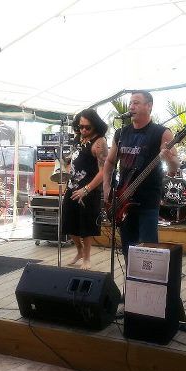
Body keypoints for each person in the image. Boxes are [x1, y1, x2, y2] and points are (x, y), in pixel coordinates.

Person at [103, 91, 179, 256]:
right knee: (128, 251)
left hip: (147, 202)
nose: (131, 107)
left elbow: (174, 167)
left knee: (148, 253)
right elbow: (109, 162)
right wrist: (106, 187)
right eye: (130, 103)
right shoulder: (121, 133)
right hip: (123, 200)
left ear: (149, 106)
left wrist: (169, 157)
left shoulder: (161, 132)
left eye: (136, 103)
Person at [62, 109, 108, 270]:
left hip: (89, 189)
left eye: (87, 127)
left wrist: (86, 190)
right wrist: (65, 168)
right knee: (68, 222)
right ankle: (79, 251)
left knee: (86, 226)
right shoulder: (78, 138)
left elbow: (104, 171)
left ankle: (87, 258)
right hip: (72, 187)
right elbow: (72, 160)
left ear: (95, 125)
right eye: (80, 126)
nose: (83, 130)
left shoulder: (99, 142)